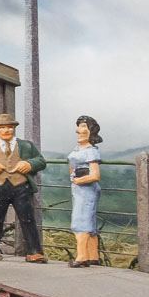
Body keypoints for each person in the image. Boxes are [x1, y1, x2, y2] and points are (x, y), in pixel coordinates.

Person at [0, 113, 48, 263]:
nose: (6, 130)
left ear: (14, 128)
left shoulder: (26, 145)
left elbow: (41, 161)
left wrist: (29, 164)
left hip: (21, 187)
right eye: (2, 127)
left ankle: (34, 251)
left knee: (27, 219)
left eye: (9, 127)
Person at [67, 115, 103, 268]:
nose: (78, 131)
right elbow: (72, 165)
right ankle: (93, 255)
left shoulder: (90, 151)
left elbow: (95, 175)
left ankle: (82, 256)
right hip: (77, 190)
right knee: (89, 221)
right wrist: (73, 177)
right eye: (79, 127)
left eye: (83, 127)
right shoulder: (78, 149)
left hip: (86, 190)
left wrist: (79, 180)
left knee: (81, 220)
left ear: (90, 131)